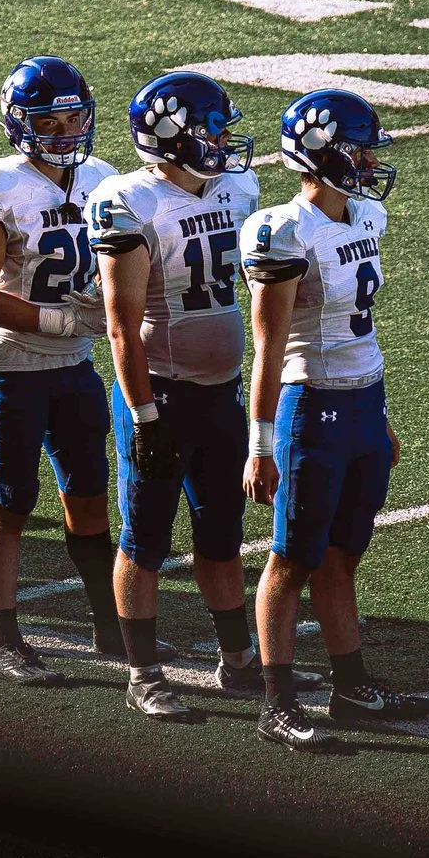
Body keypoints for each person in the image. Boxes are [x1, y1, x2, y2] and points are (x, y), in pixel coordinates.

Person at [240, 89, 429, 751]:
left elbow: (362, 325)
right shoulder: (284, 231)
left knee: (344, 555)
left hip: (361, 400)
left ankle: (351, 688)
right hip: (310, 404)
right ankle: (277, 701)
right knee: (291, 558)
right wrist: (260, 445)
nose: (371, 160)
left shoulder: (369, 215)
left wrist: (378, 417)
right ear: (318, 154)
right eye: (358, 148)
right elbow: (267, 346)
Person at [87, 73, 265, 720]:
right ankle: (144, 671)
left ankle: (237, 659)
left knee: (222, 535)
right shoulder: (131, 201)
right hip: (160, 395)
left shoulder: (235, 190)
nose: (223, 141)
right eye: (211, 129)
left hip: (221, 395)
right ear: (171, 137)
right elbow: (119, 322)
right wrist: (143, 416)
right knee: (146, 539)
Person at [0, 56, 120, 686]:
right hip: (13, 365)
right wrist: (57, 321)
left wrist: (107, 305)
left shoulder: (103, 178)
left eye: (75, 115)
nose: (66, 129)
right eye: (50, 119)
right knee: (12, 501)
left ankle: (109, 623)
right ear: (19, 123)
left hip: (75, 364)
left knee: (89, 495)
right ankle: (2, 636)